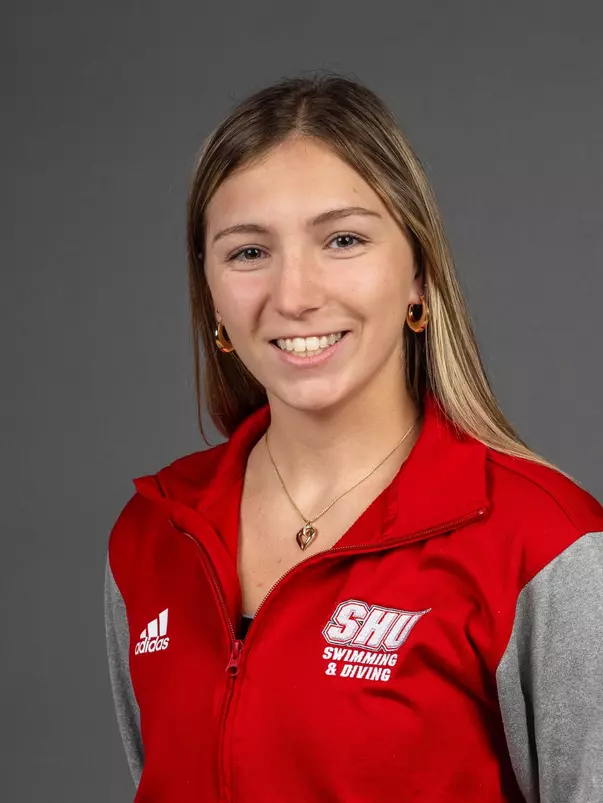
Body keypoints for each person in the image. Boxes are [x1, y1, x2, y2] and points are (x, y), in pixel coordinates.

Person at [104, 73, 603, 803]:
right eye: (248, 252)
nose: (295, 294)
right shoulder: (153, 534)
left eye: (342, 239)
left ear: (417, 277)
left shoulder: (544, 547)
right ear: (209, 293)